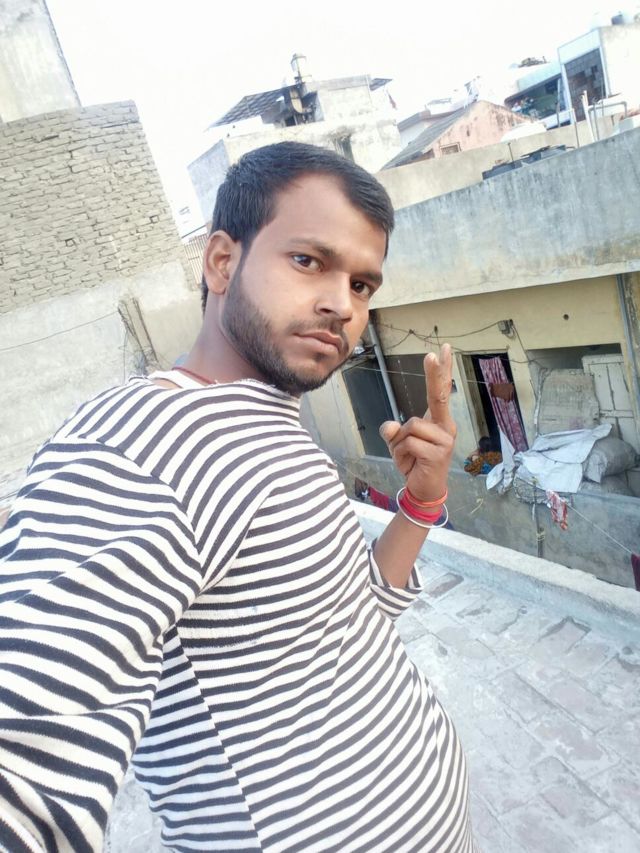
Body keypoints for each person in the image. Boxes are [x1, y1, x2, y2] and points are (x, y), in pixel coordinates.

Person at [0, 142, 476, 852]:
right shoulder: (149, 438)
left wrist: (421, 502)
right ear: (222, 261)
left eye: (361, 285)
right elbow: (25, 745)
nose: (340, 305)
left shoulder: (266, 421)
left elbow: (351, 615)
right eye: (308, 260)